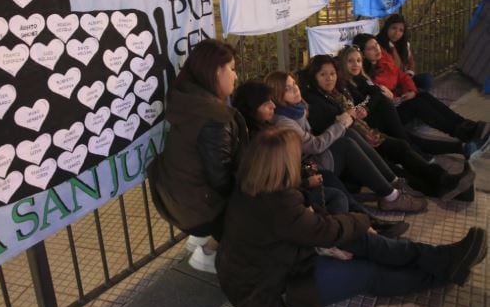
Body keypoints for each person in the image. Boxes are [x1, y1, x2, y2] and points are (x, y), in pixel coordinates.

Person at [215, 127, 488, 307]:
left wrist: (336, 237)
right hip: (272, 292)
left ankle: (445, 257)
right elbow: (321, 229)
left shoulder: (258, 187)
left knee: (362, 240)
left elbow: (309, 224)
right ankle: (442, 273)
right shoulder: (275, 200)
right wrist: (358, 220)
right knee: (368, 273)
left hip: (283, 260)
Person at [232, 80, 409, 237]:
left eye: (295, 84)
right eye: (265, 104)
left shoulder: (286, 115)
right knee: (337, 173)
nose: (272, 105)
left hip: (303, 170)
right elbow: (280, 174)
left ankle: (385, 195)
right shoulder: (266, 135)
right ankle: (370, 221)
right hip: (297, 182)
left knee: (347, 139)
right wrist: (306, 181)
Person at [300, 54, 474, 201]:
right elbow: (330, 129)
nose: (329, 78)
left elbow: (368, 97)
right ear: (314, 76)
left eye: (332, 73)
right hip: (347, 147)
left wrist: (361, 113)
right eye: (323, 75)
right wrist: (353, 121)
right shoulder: (314, 100)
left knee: (401, 146)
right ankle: (439, 187)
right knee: (392, 165)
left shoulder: (336, 91)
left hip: (363, 134)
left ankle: (447, 182)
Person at [146, 39, 247, 274]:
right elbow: (221, 179)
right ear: (215, 71)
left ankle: (203, 239)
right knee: (258, 199)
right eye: (232, 69)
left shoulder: (186, 97)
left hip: (175, 198)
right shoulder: (213, 117)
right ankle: (210, 250)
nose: (236, 76)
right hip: (195, 209)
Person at [264, 71, 427, 213]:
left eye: (294, 84)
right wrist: (341, 123)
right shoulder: (284, 121)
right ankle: (391, 197)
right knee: (345, 143)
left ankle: (393, 183)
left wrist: (343, 124)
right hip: (307, 168)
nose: (295, 89)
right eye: (287, 88)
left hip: (313, 158)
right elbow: (314, 145)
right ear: (277, 94)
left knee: (349, 134)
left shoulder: (296, 108)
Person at [337, 44, 473, 159]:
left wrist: (368, 106)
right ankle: (458, 140)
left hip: (385, 114)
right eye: (350, 61)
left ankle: (461, 142)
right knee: (408, 136)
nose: (355, 64)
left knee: (420, 100)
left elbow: (378, 91)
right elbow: (375, 94)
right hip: (376, 122)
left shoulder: (360, 78)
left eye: (358, 61)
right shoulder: (344, 84)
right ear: (343, 62)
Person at [354, 33, 489, 147]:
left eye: (377, 45)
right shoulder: (364, 75)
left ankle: (466, 125)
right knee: (417, 104)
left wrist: (411, 90)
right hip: (390, 114)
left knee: (421, 94)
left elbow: (401, 75)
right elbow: (379, 98)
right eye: (371, 48)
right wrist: (393, 97)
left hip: (398, 99)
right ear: (363, 54)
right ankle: (462, 133)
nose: (377, 50)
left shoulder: (383, 58)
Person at [377, 14, 434, 92]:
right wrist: (392, 48)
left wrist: (410, 73)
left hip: (404, 78)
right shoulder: (378, 45)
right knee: (420, 93)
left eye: (401, 30)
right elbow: (397, 66)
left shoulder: (404, 44)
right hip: (390, 81)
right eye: (394, 28)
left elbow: (411, 62)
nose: (397, 33)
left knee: (427, 79)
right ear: (387, 28)